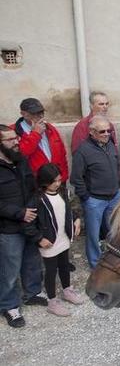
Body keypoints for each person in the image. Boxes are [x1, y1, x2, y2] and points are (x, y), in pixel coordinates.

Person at [0, 125, 46, 328]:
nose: (16, 142)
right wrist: (20, 213)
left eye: (16, 138)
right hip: (8, 227)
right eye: (10, 140)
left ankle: (33, 292)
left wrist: (31, 209)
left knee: (32, 260)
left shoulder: (22, 161)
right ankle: (9, 305)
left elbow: (33, 188)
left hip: (29, 222)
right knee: (9, 269)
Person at [70, 116, 120, 269]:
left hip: (114, 196)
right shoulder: (83, 151)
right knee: (93, 235)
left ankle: (114, 259)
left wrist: (118, 187)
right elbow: (76, 178)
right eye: (102, 131)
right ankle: (96, 265)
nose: (107, 133)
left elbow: (117, 166)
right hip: (95, 200)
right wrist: (86, 197)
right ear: (92, 132)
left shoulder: (110, 144)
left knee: (115, 230)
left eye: (109, 130)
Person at [35, 163, 85, 317]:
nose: (58, 183)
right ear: (44, 181)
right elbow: (30, 223)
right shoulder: (38, 199)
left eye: (59, 180)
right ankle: (52, 301)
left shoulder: (63, 192)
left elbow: (69, 210)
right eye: (54, 181)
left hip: (63, 237)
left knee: (64, 265)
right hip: (49, 241)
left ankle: (67, 290)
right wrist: (39, 238)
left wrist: (76, 219)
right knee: (50, 271)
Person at [11, 98, 69, 182]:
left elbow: (62, 154)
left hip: (56, 181)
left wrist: (63, 178)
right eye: (36, 113)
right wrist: (35, 134)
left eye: (42, 112)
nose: (41, 116)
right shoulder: (13, 131)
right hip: (35, 182)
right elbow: (20, 154)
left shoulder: (50, 128)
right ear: (24, 114)